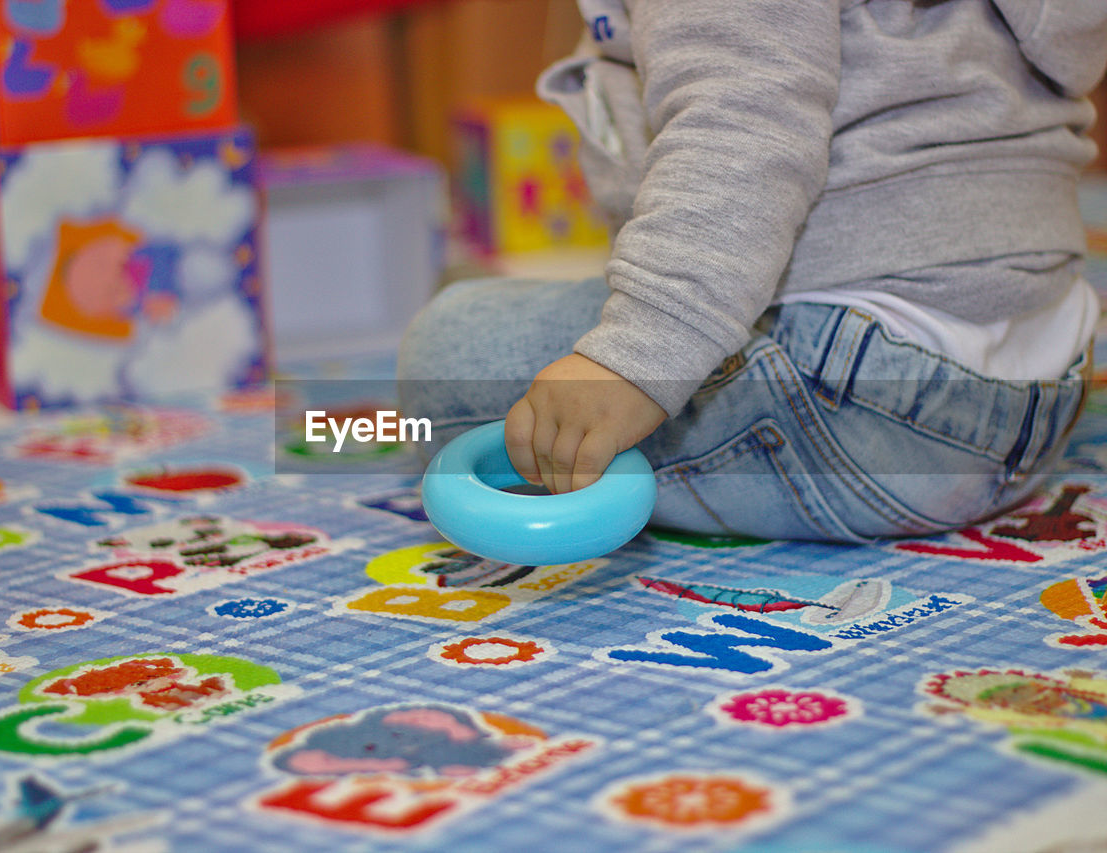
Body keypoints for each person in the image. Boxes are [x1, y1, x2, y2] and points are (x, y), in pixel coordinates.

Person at [398, 0, 1107, 543]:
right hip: (1041, 385)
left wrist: (634, 361)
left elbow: (743, 130)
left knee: (449, 349)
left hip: (868, 396)